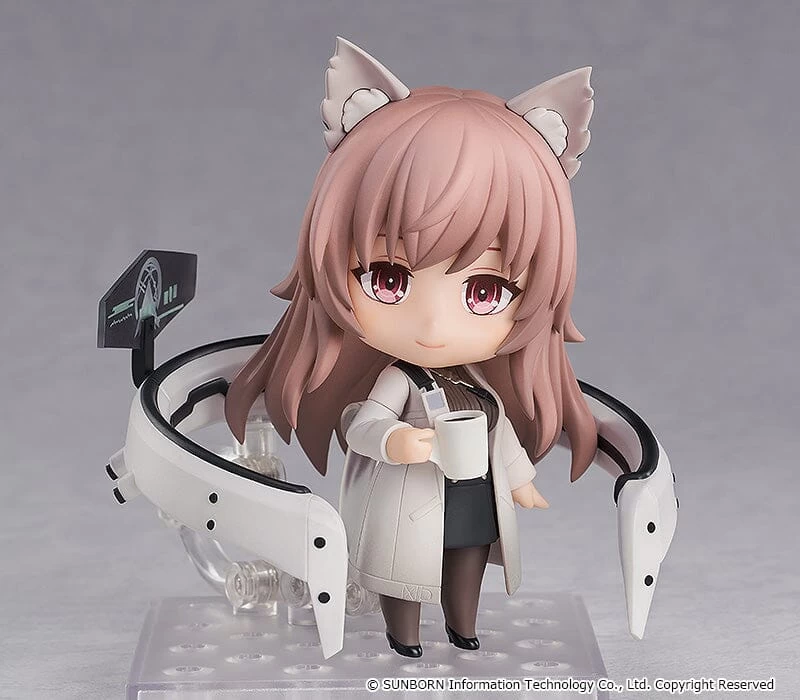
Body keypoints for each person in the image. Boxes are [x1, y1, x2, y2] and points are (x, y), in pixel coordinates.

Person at [224, 37, 599, 657]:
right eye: (388, 279)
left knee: (467, 560)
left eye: (484, 290)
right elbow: (364, 423)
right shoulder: (401, 382)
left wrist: (520, 480)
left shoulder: (478, 386)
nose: (432, 323)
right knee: (404, 572)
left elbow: (500, 433)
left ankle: (464, 627)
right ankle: (404, 638)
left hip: (473, 497)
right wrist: (397, 441)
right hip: (411, 497)